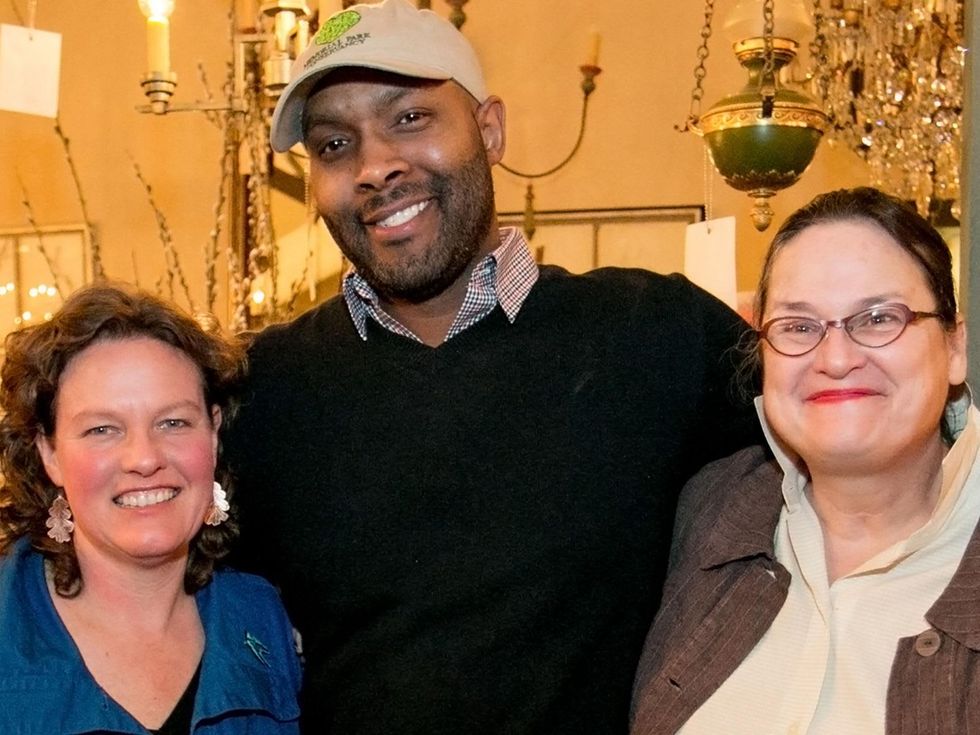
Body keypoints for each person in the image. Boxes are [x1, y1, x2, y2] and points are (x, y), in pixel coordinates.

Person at [224, 1, 760, 732]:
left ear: (491, 130)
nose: (375, 166)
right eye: (334, 144)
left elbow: (848, 472)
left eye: (410, 117)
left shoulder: (657, 334)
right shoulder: (264, 390)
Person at [630, 187, 980, 734]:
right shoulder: (716, 507)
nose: (835, 359)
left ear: (955, 347)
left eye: (878, 318)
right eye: (798, 326)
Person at [0, 283, 302, 734]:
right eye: (102, 429)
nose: (144, 458)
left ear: (213, 434)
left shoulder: (260, 617)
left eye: (173, 422)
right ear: (49, 452)